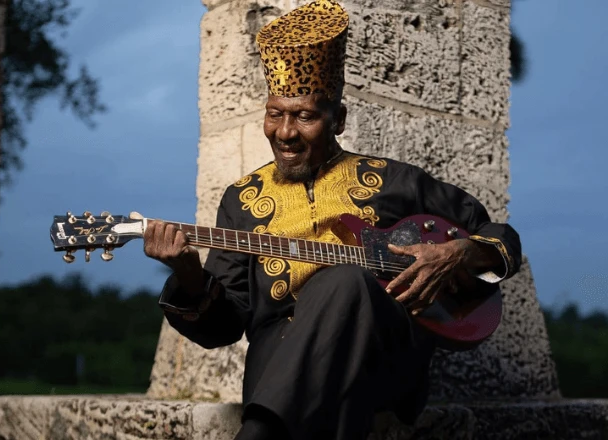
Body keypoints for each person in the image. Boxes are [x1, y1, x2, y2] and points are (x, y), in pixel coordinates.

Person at [143, 1, 522, 439]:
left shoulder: (395, 181)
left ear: (337, 119)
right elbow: (224, 328)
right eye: (275, 114)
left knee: (346, 281)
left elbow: (502, 239)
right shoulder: (242, 201)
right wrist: (190, 276)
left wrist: (457, 253)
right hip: (277, 362)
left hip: (383, 359)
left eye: (304, 116)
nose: (285, 132)